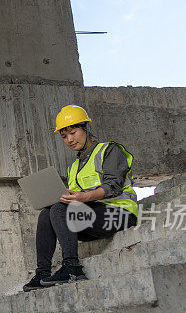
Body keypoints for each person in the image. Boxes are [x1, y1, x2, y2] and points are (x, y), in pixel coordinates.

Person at [23, 105, 139, 291]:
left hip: (120, 214)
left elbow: (114, 186)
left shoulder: (108, 150)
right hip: (93, 218)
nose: (69, 139)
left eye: (73, 132)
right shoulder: (74, 167)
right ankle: (42, 273)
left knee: (60, 209)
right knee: (47, 213)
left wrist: (84, 197)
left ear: (87, 128)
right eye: (64, 136)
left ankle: (73, 268)